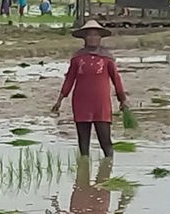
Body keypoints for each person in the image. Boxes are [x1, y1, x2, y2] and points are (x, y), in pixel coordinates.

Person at [52, 20, 129, 158]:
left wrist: (123, 100)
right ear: (84, 38)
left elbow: (116, 80)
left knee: (105, 141)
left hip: (101, 104)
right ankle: (84, 172)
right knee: (83, 142)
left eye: (95, 35)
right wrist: (59, 100)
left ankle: (108, 168)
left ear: (100, 38)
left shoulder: (107, 58)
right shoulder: (77, 58)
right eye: (89, 35)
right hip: (81, 103)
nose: (93, 38)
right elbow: (69, 79)